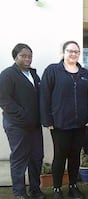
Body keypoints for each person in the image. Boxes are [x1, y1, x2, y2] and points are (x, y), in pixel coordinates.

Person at [40, 41, 88, 199]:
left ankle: (73, 186)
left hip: (80, 124)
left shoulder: (85, 74)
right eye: (70, 51)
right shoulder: (53, 71)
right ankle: (57, 189)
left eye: (76, 52)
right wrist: (47, 120)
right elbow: (44, 96)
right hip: (59, 124)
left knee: (75, 156)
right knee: (60, 156)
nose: (73, 54)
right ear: (63, 52)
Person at [0, 43, 46, 199]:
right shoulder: (7, 75)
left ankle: (35, 189)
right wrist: (23, 114)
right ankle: (19, 192)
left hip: (34, 125)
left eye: (29, 56)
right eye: (23, 56)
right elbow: (4, 100)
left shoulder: (34, 75)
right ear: (15, 57)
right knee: (19, 159)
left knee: (36, 157)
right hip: (17, 125)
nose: (27, 59)